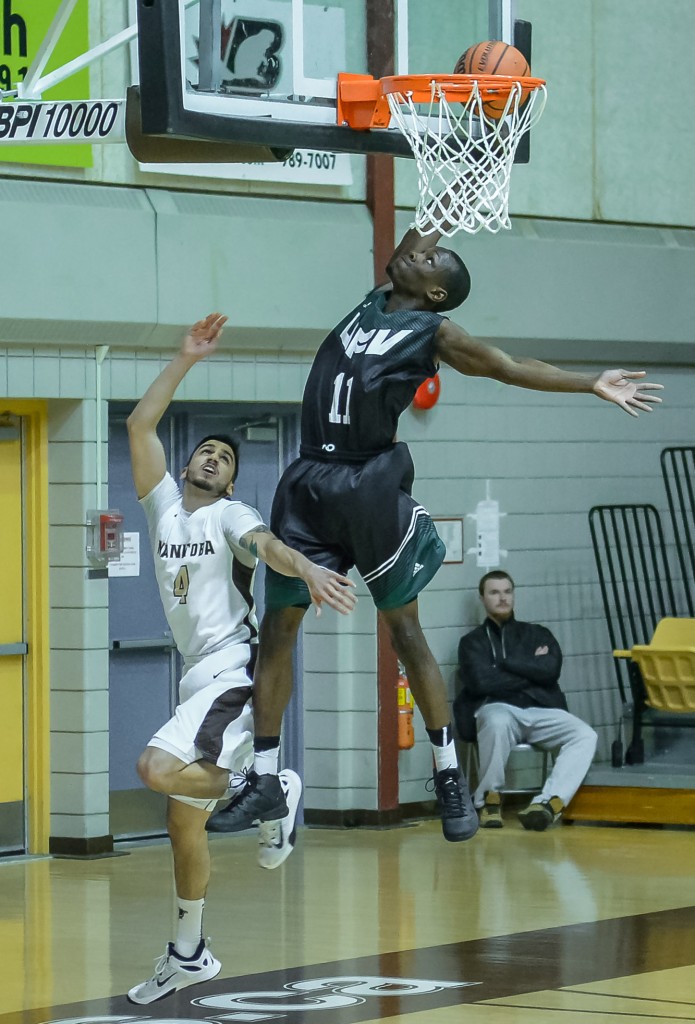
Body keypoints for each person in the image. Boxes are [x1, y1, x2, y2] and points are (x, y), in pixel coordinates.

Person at [205, 216, 662, 845]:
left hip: (368, 483)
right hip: (310, 476)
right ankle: (263, 777)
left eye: (432, 258)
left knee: (406, 632)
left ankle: (449, 778)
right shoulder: (374, 301)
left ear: (436, 291)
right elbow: (412, 242)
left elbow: (504, 365)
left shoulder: (434, 329)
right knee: (279, 632)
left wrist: (589, 382)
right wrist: (448, 201)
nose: (419, 254)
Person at [125, 314, 356, 1004]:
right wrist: (185, 359)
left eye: (224, 458)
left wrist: (306, 568)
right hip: (197, 674)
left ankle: (271, 790)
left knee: (155, 769)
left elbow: (269, 547)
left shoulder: (230, 516)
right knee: (179, 819)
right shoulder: (164, 508)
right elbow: (140, 425)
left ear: (229, 483)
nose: (212, 458)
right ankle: (188, 952)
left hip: (235, 667)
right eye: (206, 451)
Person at [455, 570, 599, 831]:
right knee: (496, 721)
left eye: (507, 592)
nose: (502, 598)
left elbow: (549, 671)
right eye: (495, 592)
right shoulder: (472, 642)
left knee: (585, 734)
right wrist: (530, 669)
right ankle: (490, 800)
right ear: (482, 598)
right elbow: (480, 683)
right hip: (498, 709)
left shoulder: (538, 634)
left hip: (541, 709)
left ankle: (547, 803)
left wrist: (504, 665)